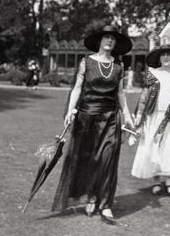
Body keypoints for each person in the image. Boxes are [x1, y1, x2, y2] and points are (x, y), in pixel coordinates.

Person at [51, 25, 134, 224]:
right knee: (89, 160)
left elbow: (120, 94)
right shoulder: (86, 62)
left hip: (111, 119)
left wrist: (128, 115)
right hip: (87, 118)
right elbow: (77, 89)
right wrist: (71, 111)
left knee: (107, 160)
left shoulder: (118, 67)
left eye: (113, 38)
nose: (110, 41)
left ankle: (105, 205)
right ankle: (91, 197)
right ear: (99, 40)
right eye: (106, 37)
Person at [131, 44, 170, 198]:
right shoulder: (152, 74)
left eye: (169, 55)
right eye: (163, 55)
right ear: (159, 58)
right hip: (154, 116)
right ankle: (157, 182)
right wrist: (139, 116)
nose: (166, 57)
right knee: (154, 150)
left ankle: (169, 183)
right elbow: (144, 98)